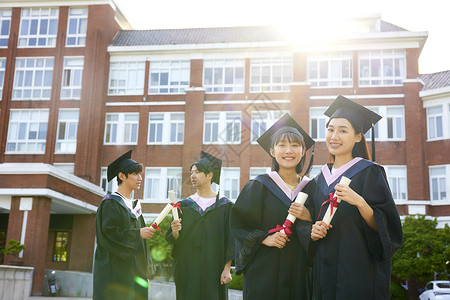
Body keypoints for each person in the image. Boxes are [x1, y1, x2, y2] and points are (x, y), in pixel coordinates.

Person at [298, 95, 403, 300]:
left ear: (357, 137)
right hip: (323, 279)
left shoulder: (370, 173)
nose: (334, 136)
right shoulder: (317, 181)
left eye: (343, 130)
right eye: (330, 129)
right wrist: (311, 229)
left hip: (358, 278)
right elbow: (307, 226)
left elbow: (387, 229)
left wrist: (360, 202)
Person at [231, 113, 315, 300]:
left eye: (295, 145)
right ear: (272, 151)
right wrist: (263, 238)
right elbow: (238, 225)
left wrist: (309, 216)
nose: (288, 151)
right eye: (282, 145)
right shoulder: (258, 186)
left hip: (300, 276)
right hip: (264, 273)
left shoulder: (312, 189)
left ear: (303, 151)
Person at [165, 151, 234, 300]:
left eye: (197, 172)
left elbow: (231, 239)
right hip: (188, 269)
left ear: (210, 175)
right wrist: (175, 232)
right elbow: (175, 240)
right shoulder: (184, 205)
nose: (193, 176)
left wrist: (227, 269)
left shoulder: (225, 206)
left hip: (214, 270)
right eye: (191, 172)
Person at [93, 150, 155, 300]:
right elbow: (109, 236)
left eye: (140, 174)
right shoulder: (111, 203)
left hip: (135, 274)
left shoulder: (135, 207)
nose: (140, 178)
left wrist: (144, 273)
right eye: (135, 174)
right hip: (115, 274)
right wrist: (138, 233)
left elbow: (142, 246)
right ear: (121, 176)